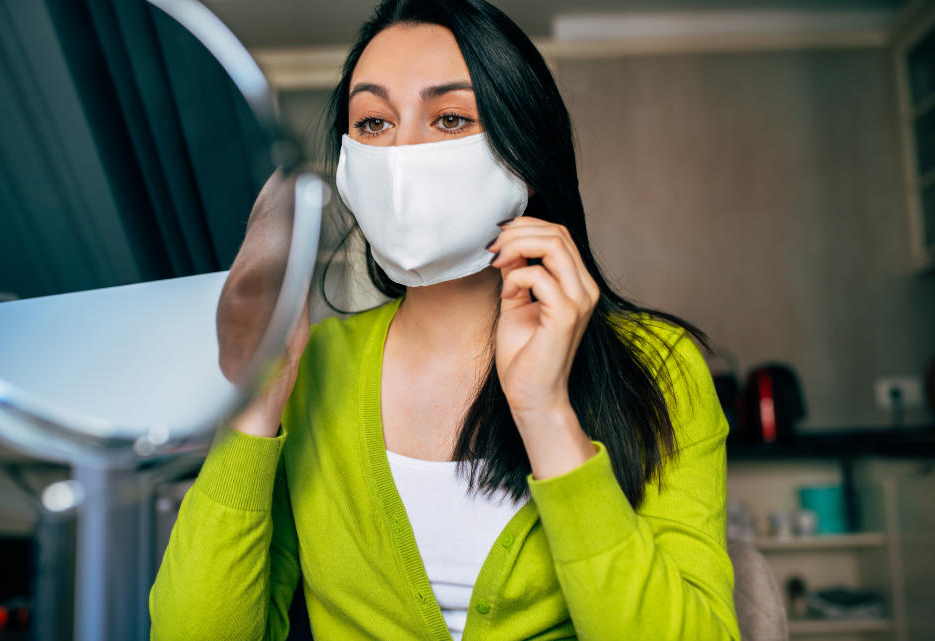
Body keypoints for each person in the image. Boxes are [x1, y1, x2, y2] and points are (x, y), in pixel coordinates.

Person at [149, 0, 741, 639]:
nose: (402, 156)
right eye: (373, 123)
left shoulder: (657, 363)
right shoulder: (314, 371)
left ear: (526, 152)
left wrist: (545, 414)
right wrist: (258, 395)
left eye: (451, 118)